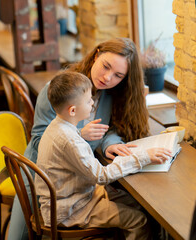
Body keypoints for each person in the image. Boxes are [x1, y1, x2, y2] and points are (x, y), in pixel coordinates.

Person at [8, 38, 151, 240]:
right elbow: (41, 140)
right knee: (19, 236)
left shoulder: (109, 94)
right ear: (96, 56)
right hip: (39, 173)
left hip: (78, 177)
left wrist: (110, 144)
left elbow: (109, 128)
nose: (108, 78)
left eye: (118, 75)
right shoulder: (56, 91)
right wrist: (79, 135)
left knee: (132, 209)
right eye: (106, 66)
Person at [35, 71, 171, 239]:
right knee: (139, 220)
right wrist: (143, 157)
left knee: (135, 203)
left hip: (72, 197)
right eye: (88, 100)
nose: (93, 103)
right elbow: (101, 175)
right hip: (71, 209)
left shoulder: (58, 127)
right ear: (72, 110)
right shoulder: (70, 140)